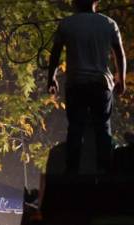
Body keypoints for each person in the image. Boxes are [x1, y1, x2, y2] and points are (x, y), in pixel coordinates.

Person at [47, 0, 126, 174]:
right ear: (96, 2)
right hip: (101, 84)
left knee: (75, 128)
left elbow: (56, 53)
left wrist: (51, 78)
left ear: (75, 2)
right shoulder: (108, 23)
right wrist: (121, 79)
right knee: (103, 128)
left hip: (76, 84)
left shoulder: (67, 24)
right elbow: (119, 53)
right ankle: (105, 171)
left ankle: (72, 172)